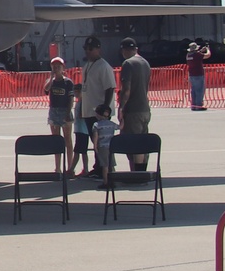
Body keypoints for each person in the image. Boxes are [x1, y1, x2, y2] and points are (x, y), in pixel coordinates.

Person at [77, 38, 115, 177]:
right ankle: (98, 167)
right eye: (86, 48)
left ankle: (107, 168)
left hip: (99, 112)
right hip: (88, 110)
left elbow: (110, 88)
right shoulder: (87, 65)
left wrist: (105, 109)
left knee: (103, 143)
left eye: (91, 49)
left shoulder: (103, 66)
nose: (88, 51)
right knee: (95, 142)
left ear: (98, 49)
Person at [116, 38, 153, 169]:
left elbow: (126, 90)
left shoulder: (128, 64)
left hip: (133, 110)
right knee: (142, 142)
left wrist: (121, 108)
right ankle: (142, 171)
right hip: (145, 108)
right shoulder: (145, 63)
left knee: (133, 143)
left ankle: (136, 174)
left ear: (124, 50)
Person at [43, 57, 78, 173]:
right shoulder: (50, 81)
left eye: (58, 66)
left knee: (68, 139)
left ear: (63, 68)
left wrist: (68, 113)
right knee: (56, 139)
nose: (56, 68)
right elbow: (46, 89)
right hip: (54, 111)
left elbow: (71, 98)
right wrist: (52, 78)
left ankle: (70, 167)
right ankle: (57, 167)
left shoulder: (68, 82)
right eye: (54, 67)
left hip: (64, 110)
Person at [185, 39, 210, 111]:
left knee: (193, 90)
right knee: (199, 90)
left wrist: (201, 51)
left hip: (191, 74)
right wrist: (208, 50)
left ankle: (194, 105)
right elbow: (207, 55)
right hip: (198, 74)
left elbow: (196, 55)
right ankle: (199, 105)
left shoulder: (188, 55)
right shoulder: (197, 55)